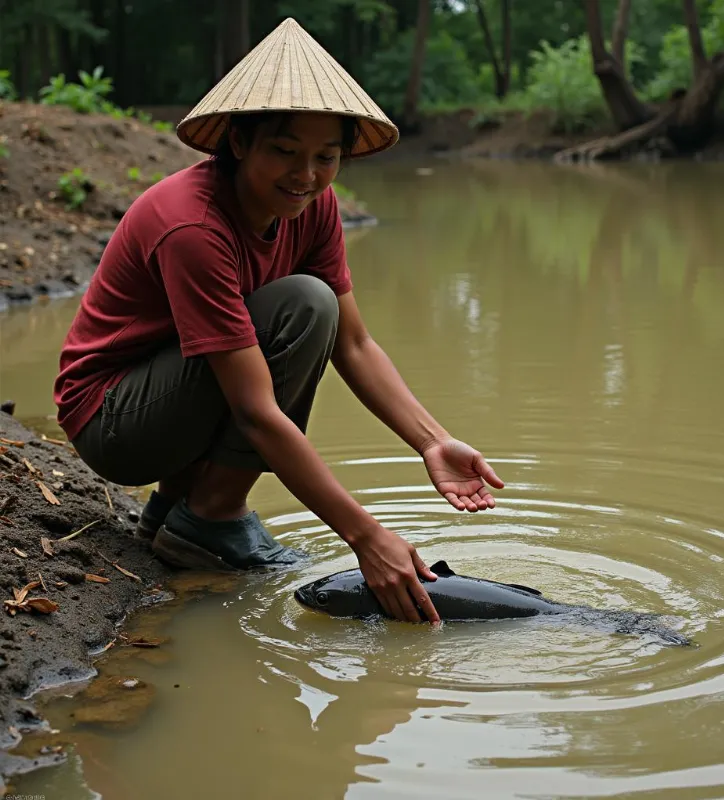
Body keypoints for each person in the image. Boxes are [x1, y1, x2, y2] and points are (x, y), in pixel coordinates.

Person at [53, 18, 504, 625]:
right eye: (285, 152)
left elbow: (356, 343)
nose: (306, 175)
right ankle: (210, 518)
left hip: (173, 393)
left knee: (312, 306)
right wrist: (365, 536)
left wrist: (431, 441)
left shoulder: (314, 208)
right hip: (113, 417)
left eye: (326, 157)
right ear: (239, 144)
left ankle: (179, 507)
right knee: (303, 304)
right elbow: (254, 411)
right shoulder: (193, 225)